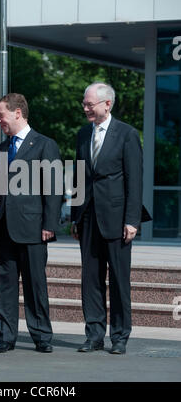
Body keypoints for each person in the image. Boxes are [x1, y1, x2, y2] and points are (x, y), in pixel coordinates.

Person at [0, 93, 62, 353]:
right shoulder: (2, 149)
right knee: (4, 286)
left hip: (33, 230)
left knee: (35, 286)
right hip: (5, 229)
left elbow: (54, 189)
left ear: (17, 113)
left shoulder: (44, 145)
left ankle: (42, 336)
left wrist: (49, 225)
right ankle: (5, 337)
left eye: (0, 115)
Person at [71, 82, 143, 355]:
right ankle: (94, 334)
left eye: (90, 104)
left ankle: (120, 336)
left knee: (119, 280)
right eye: (85, 103)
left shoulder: (126, 134)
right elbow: (79, 178)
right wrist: (76, 217)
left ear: (107, 104)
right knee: (90, 279)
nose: (85, 108)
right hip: (88, 218)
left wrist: (132, 220)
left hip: (117, 220)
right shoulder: (82, 134)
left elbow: (134, 180)